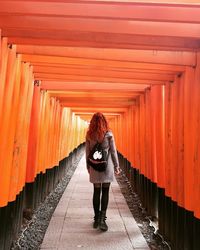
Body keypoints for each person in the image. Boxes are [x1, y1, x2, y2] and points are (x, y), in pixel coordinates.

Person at [85, 112, 120, 231]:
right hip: (107, 166)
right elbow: (114, 152)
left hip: (95, 166)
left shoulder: (89, 134)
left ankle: (96, 219)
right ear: (105, 122)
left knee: (96, 191)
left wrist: (88, 166)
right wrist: (116, 166)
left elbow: (87, 151)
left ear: (93, 123)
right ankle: (102, 220)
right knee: (105, 191)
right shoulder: (109, 134)